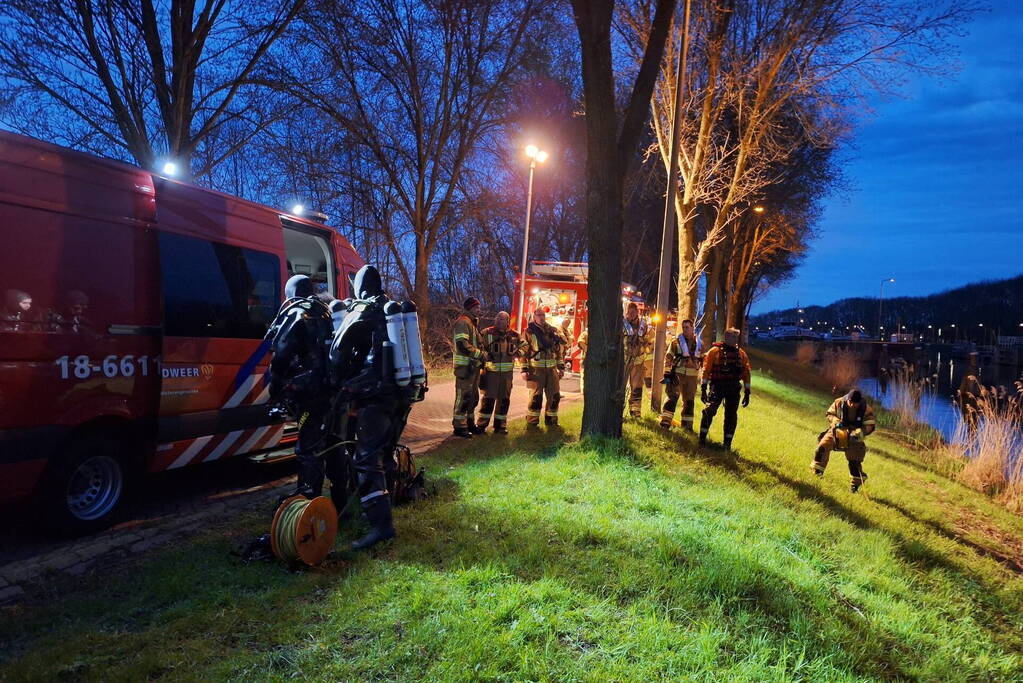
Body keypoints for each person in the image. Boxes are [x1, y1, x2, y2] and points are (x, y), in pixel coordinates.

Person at [328, 264, 423, 549]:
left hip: (376, 395)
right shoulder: (392, 310)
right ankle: (385, 504)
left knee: (366, 459)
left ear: (360, 287)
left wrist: (341, 382)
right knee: (383, 453)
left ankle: (381, 526)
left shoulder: (363, 309)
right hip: (402, 393)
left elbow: (337, 352)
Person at [264, 275, 336, 501]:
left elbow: (281, 354)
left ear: (291, 293)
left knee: (307, 449)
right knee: (325, 445)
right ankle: (336, 497)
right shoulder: (325, 312)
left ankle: (307, 498)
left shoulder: (295, 313)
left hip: (308, 394)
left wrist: (275, 389)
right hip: (328, 391)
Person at [812, 389, 877, 492]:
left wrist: (861, 432)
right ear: (847, 399)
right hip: (837, 432)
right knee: (822, 448)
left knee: (855, 462)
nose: (852, 405)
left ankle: (855, 485)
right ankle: (817, 472)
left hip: (854, 437)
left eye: (855, 403)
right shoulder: (838, 402)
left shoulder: (866, 409)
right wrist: (836, 421)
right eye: (851, 402)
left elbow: (870, 425)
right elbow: (829, 414)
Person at [699, 327, 751, 450]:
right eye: (733, 337)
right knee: (709, 411)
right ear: (726, 337)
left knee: (731, 416)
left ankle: (727, 445)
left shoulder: (741, 354)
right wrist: (703, 388)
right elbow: (706, 370)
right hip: (718, 386)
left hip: (734, 388)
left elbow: (746, 373)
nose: (735, 340)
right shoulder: (714, 351)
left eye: (736, 337)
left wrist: (747, 392)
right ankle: (702, 440)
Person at [476, 311, 525, 433]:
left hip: (507, 375)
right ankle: (481, 425)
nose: (498, 320)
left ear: (507, 321)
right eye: (497, 318)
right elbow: (477, 346)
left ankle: (500, 426)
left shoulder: (514, 335)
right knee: (488, 399)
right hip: (490, 373)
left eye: (502, 319)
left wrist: (519, 353)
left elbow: (525, 346)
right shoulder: (487, 333)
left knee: (504, 399)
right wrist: (484, 355)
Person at [522, 309, 564, 427]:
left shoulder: (552, 331)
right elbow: (524, 352)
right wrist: (524, 370)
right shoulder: (528, 332)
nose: (541, 317)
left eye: (543, 315)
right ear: (534, 317)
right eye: (539, 315)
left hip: (552, 370)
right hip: (536, 371)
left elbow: (558, 351)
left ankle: (551, 420)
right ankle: (532, 421)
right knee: (536, 397)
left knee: (554, 396)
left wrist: (561, 367)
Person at [659, 319, 703, 431]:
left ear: (692, 328)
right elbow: (668, 357)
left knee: (689, 401)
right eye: (683, 327)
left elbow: (703, 359)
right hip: (677, 375)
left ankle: (687, 427)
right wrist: (667, 373)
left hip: (692, 377)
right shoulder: (676, 342)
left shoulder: (699, 344)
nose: (685, 330)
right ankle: (665, 422)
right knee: (672, 397)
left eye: (687, 327)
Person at [452, 297, 485, 438]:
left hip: (473, 368)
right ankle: (459, 427)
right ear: (470, 308)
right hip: (465, 368)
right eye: (476, 307)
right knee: (463, 397)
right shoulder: (463, 322)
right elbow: (462, 345)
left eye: (479, 307)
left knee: (472, 398)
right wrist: (481, 354)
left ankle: (469, 423)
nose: (479, 310)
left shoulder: (472, 324)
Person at [622, 302, 651, 418]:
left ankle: (635, 413)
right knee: (620, 386)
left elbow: (650, 340)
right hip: (624, 360)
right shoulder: (622, 324)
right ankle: (618, 412)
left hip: (638, 361)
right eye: (629, 312)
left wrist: (643, 343)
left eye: (633, 312)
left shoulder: (643, 326)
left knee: (637, 388)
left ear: (637, 312)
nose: (630, 314)